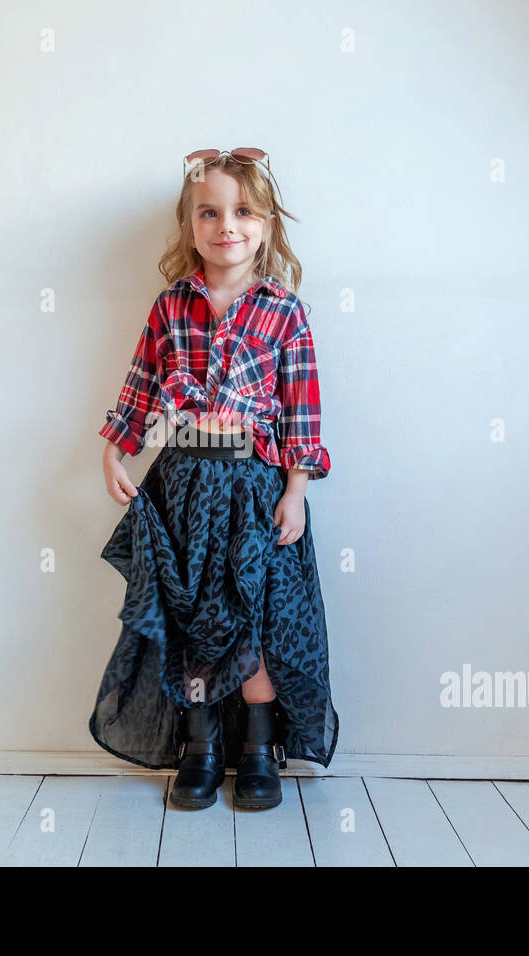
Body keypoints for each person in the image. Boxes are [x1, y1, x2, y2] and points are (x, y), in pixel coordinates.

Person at [89, 148, 339, 811]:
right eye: (210, 212)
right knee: (195, 623)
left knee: (247, 625)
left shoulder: (283, 312)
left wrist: (296, 492)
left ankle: (259, 750)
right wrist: (117, 451)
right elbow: (141, 386)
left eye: (244, 211)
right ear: (189, 224)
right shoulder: (171, 307)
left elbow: (301, 411)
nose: (227, 225)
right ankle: (200, 749)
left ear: (265, 224)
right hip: (182, 489)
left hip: (253, 493)